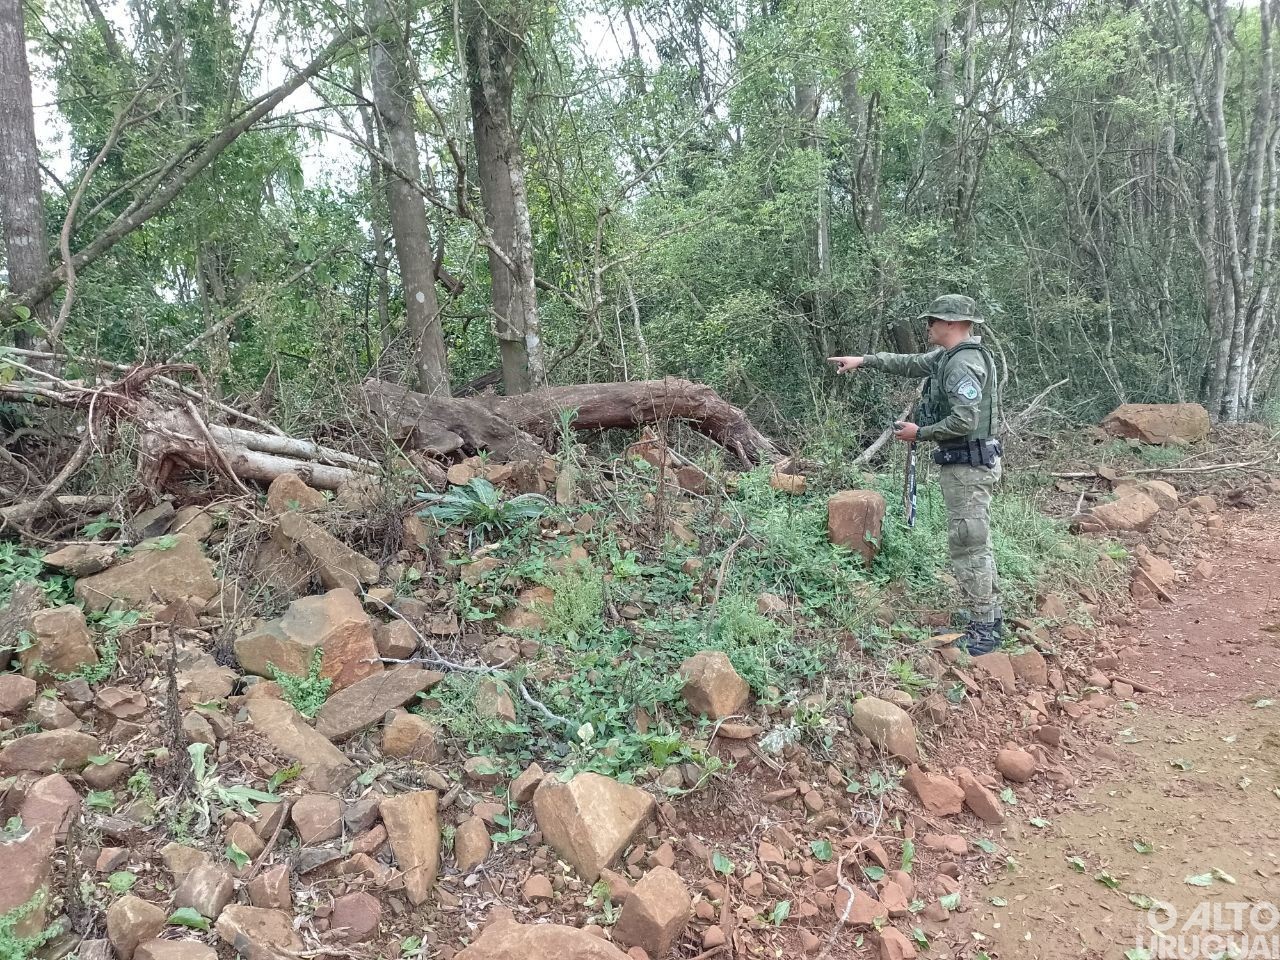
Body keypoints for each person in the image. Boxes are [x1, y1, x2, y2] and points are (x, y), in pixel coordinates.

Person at [827, 294, 1004, 655]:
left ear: (952, 324)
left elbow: (965, 420)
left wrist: (919, 433)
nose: (928, 326)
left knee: (969, 542)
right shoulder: (949, 356)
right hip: (964, 464)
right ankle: (984, 614)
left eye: (934, 320)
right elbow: (910, 363)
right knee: (971, 541)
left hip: (969, 468)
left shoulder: (962, 364)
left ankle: (985, 628)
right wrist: (864, 361)